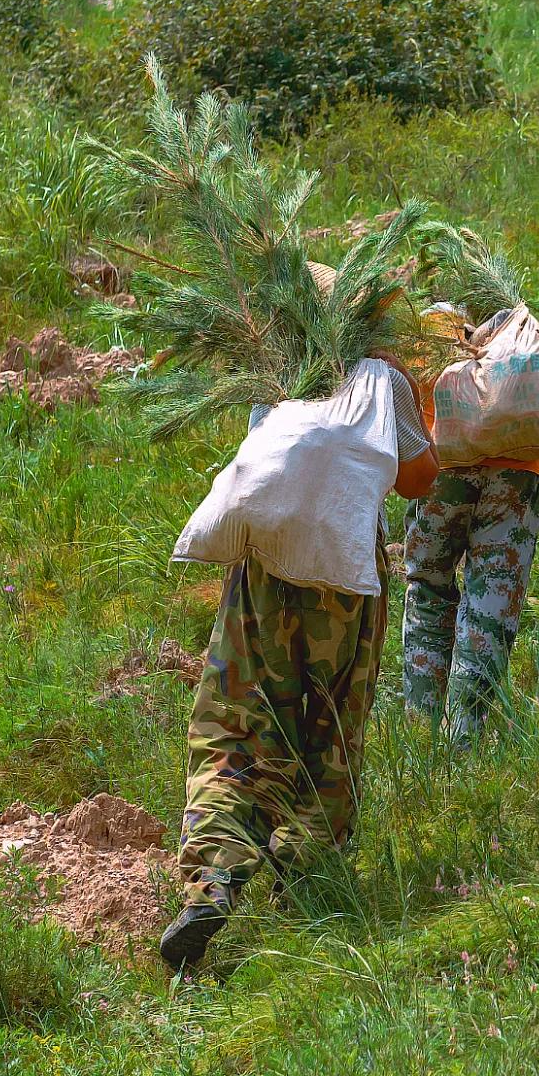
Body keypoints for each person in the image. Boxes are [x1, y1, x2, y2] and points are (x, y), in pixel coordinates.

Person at [159, 355, 438, 970]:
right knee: (332, 726)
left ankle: (214, 879)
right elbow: (420, 479)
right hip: (346, 579)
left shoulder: (275, 362)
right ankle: (305, 878)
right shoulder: (383, 375)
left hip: (263, 568)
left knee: (236, 722)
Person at [403, 308, 539, 746]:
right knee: (491, 604)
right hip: (516, 471)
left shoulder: (428, 325)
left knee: (428, 588)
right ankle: (462, 737)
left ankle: (421, 730)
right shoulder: (518, 326)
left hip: (441, 467)